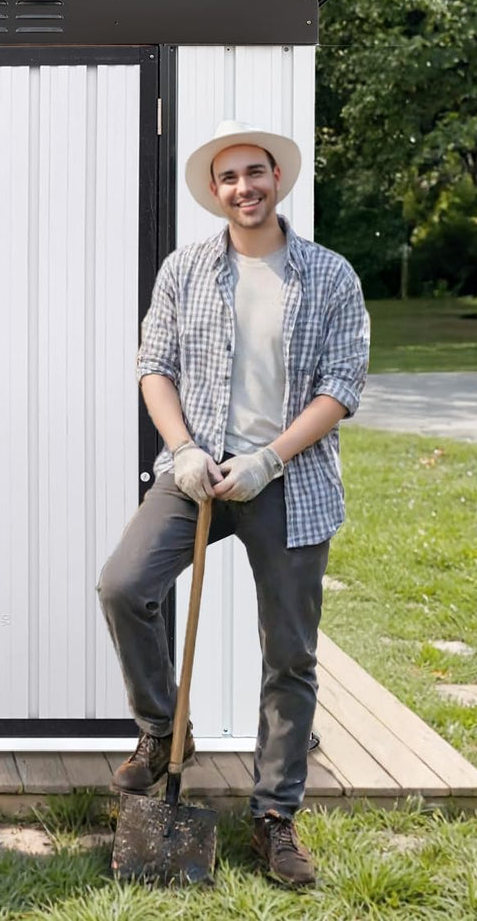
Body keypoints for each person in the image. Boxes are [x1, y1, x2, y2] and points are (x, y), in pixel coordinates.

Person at [97, 119, 369, 888]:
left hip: (290, 481)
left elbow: (341, 386)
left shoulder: (329, 275)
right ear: (215, 193)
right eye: (228, 178)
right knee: (124, 586)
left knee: (290, 653)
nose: (243, 187)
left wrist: (268, 458)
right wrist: (183, 449)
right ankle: (160, 734)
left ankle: (275, 815)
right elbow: (155, 366)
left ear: (276, 179)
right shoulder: (185, 270)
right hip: (196, 476)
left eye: (256, 173)